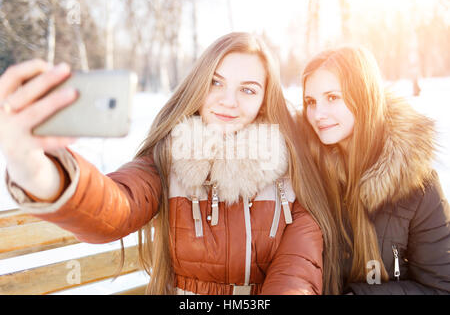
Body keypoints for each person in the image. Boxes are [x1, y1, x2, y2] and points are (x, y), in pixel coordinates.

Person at [0, 32, 341, 295]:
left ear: (265, 101)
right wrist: (32, 166)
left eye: (248, 90)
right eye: (216, 82)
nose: (227, 100)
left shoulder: (291, 172)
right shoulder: (168, 159)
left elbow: (297, 272)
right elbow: (115, 206)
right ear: (198, 85)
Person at [299, 45, 450, 294]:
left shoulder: (416, 182)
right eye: (310, 101)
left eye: (333, 97)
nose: (318, 114)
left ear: (364, 96)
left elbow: (440, 287)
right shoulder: (304, 170)